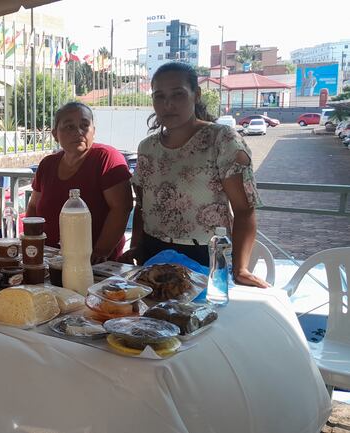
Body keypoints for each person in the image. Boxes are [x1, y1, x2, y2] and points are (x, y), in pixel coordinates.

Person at [124, 62, 268, 288]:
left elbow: (244, 208)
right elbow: (142, 206)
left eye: (178, 94)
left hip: (205, 256)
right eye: (159, 96)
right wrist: (137, 247)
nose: (168, 104)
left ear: (196, 94)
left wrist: (240, 269)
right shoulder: (147, 148)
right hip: (153, 254)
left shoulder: (221, 140)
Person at [26, 102, 133, 264]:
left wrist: (100, 252)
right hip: (51, 260)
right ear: (55, 134)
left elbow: (122, 207)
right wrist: (32, 245)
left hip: (95, 264)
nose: (78, 132)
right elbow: (33, 206)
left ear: (93, 132)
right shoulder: (47, 164)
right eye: (69, 127)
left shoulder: (106, 158)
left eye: (85, 125)